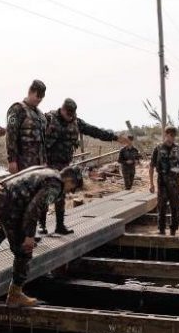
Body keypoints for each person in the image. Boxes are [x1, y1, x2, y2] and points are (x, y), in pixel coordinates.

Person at [0, 166, 84, 307]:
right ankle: (15, 295)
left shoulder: (50, 172)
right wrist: (29, 236)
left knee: (4, 229)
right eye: (72, 188)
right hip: (8, 204)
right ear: (68, 179)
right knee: (24, 250)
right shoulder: (55, 186)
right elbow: (33, 210)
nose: (70, 192)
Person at [38, 98, 129, 235]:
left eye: (72, 115)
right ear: (62, 110)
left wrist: (115, 138)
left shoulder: (76, 121)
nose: (70, 118)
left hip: (64, 164)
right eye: (68, 115)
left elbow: (94, 131)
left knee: (61, 193)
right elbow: (32, 129)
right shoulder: (48, 119)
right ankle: (42, 225)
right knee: (47, 192)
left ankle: (60, 225)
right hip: (48, 162)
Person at [149, 126, 179, 236]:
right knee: (161, 206)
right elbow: (151, 167)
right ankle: (161, 229)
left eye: (174, 135)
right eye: (170, 135)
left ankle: (173, 229)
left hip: (175, 181)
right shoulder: (158, 148)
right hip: (162, 181)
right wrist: (151, 183)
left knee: (175, 206)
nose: (172, 138)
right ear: (165, 135)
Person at [5, 80, 47, 174]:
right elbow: (11, 136)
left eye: (42, 97)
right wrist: (12, 161)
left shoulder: (40, 115)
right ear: (30, 92)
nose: (39, 99)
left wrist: (44, 161)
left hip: (39, 166)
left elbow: (43, 141)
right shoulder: (17, 109)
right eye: (37, 96)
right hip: (23, 165)